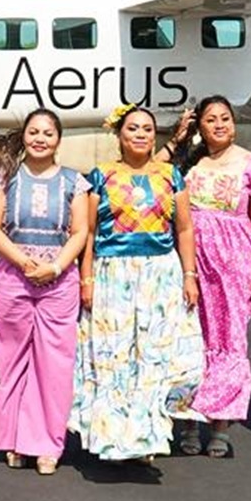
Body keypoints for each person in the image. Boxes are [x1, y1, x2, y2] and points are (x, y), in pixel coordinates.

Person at [70, 104, 204, 463]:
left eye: (147, 128)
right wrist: (86, 278)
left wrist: (190, 275)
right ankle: (113, 436)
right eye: (133, 128)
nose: (141, 134)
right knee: (114, 355)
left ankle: (147, 435)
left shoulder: (171, 176)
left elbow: (185, 228)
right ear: (119, 135)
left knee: (154, 354)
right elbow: (89, 232)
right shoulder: (100, 176)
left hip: (160, 272)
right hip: (112, 272)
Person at [0, 108, 89, 475]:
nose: (40, 139)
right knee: (12, 359)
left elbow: (79, 232)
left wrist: (56, 266)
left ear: (58, 139)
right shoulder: (3, 177)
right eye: (34, 132)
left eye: (47, 133)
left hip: (59, 281)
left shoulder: (75, 182)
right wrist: (24, 262)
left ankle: (46, 443)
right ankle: (14, 438)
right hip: (13, 276)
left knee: (54, 363)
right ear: (24, 136)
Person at [170, 95, 251, 458]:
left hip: (234, 263)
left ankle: (221, 423)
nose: (219, 125)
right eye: (210, 120)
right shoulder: (190, 165)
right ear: (201, 126)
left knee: (228, 341)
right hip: (194, 260)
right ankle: (189, 421)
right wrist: (179, 136)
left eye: (225, 118)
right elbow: (158, 167)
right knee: (192, 338)